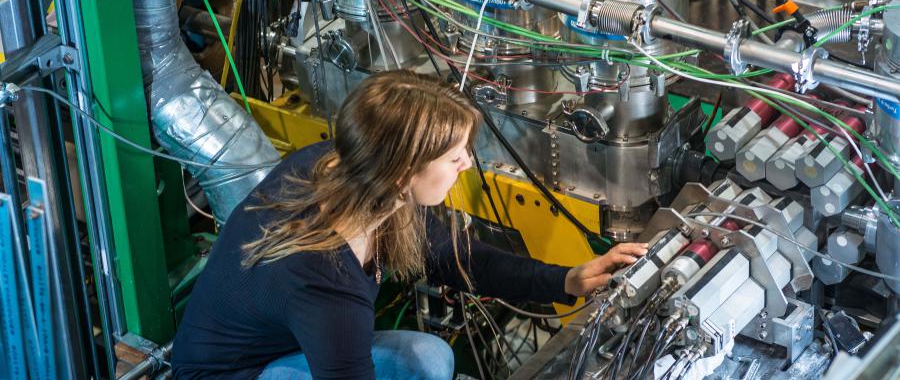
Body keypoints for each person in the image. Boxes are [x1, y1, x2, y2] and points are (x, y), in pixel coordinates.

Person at [171, 70, 647, 379]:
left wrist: (565, 279)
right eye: (453, 153)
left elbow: (450, 255)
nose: (466, 163)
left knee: (431, 359)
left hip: (292, 341)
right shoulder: (324, 283)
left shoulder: (343, 168)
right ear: (403, 170)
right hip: (236, 375)